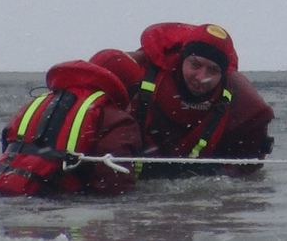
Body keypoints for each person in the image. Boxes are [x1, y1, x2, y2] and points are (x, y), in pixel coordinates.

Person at [90, 22, 275, 179]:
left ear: (224, 75)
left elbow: (249, 164)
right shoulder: (137, 72)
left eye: (213, 70)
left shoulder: (246, 106)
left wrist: (219, 173)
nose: (202, 77)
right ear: (181, 59)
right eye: (195, 64)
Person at [0, 57, 142, 196]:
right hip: (48, 196)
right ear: (126, 88)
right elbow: (113, 182)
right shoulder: (114, 117)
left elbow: (8, 140)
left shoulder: (38, 103)